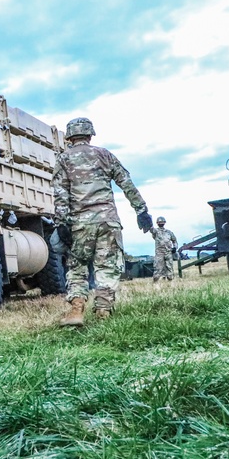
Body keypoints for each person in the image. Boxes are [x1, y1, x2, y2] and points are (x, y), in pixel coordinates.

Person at [51, 117, 152, 327]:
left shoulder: (63, 159)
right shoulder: (104, 154)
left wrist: (62, 224)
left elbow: (60, 194)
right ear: (90, 135)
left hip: (80, 224)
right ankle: (103, 312)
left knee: (77, 266)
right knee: (106, 267)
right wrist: (141, 211)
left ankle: (77, 311)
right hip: (108, 221)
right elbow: (126, 183)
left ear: (69, 137)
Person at [150, 216, 178, 282]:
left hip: (168, 252)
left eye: (162, 222)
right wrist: (149, 221)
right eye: (159, 222)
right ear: (157, 223)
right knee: (158, 268)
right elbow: (151, 230)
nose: (161, 223)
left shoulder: (169, 232)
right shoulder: (156, 231)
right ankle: (156, 282)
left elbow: (174, 240)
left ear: (164, 222)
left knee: (169, 267)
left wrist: (175, 247)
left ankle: (170, 281)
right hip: (159, 253)